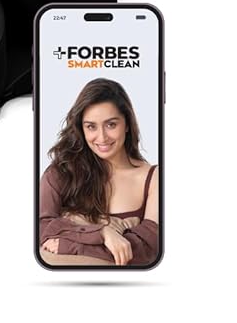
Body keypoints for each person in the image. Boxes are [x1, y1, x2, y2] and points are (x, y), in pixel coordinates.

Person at [39, 78, 158, 266]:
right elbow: (40, 228)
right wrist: (102, 233)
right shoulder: (61, 171)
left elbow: (147, 249)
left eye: (111, 125)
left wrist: (72, 245)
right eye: (91, 126)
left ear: (127, 124)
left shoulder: (154, 178)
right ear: (81, 128)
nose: (102, 138)